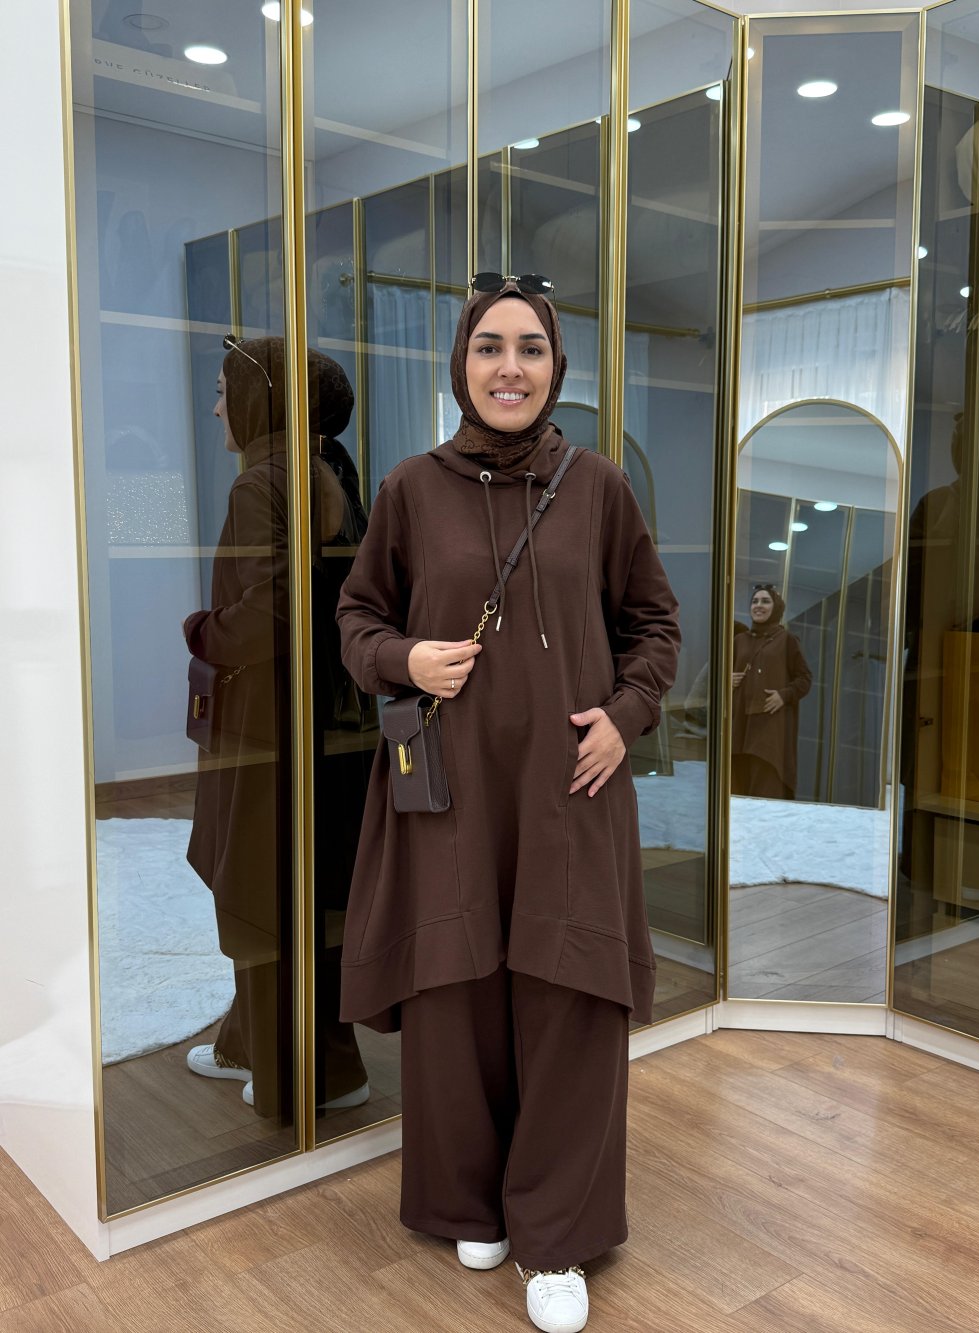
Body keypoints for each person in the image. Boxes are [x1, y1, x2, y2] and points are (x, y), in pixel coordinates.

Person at [336, 277, 681, 1333]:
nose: (509, 367)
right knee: (457, 993)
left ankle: (557, 1233)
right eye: (489, 346)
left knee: (568, 995)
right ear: (461, 364)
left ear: (555, 367)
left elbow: (655, 623)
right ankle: (467, 1201)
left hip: (568, 789)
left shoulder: (599, 488)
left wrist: (626, 714)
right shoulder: (409, 488)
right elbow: (356, 617)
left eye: (530, 348)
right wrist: (403, 658)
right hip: (450, 789)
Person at [184, 335, 370, 1120]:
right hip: (320, 717)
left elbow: (272, 611)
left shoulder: (260, 483)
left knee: (260, 891)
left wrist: (203, 630)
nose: (216, 408)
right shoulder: (330, 470)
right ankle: (252, 1042)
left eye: (223, 391)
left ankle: (314, 1071)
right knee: (294, 888)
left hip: (268, 724)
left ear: (258, 400)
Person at [731, 583, 811, 800]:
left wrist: (783, 696)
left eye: (765, 601)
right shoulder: (739, 641)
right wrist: (726, 680)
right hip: (739, 728)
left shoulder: (787, 641)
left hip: (769, 730)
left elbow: (805, 678)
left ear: (776, 608)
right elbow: (718, 678)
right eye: (755, 601)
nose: (758, 605)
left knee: (765, 790)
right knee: (736, 791)